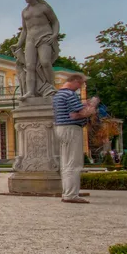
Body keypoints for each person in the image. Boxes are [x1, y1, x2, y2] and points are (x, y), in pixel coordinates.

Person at [53, 75, 98, 203]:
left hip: (61, 128)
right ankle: (71, 195)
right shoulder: (69, 94)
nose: (80, 88)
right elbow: (81, 113)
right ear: (75, 81)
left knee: (66, 163)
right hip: (71, 130)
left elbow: (76, 112)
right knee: (74, 163)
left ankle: (67, 193)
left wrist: (81, 109)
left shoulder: (58, 95)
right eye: (80, 85)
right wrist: (92, 106)